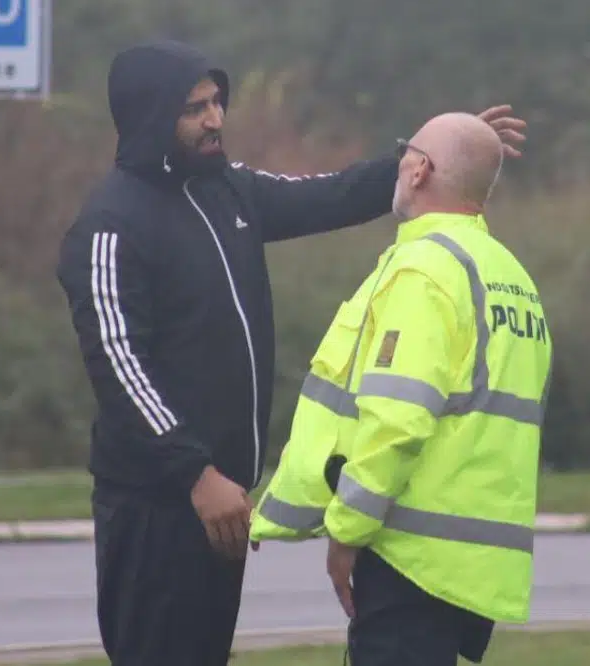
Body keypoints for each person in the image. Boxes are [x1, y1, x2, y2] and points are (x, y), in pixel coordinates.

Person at [54, 40, 527, 666]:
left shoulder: (230, 192)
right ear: (149, 116)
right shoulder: (112, 224)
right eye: (195, 108)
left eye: (218, 102)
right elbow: (120, 367)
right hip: (160, 504)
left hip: (224, 505)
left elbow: (330, 194)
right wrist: (195, 473)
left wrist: (435, 157)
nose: (216, 119)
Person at [249, 112, 553, 665]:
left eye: (404, 153)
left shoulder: (424, 271)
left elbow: (398, 421)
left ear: (418, 170)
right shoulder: (509, 275)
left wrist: (345, 533)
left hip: (407, 556)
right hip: (468, 564)